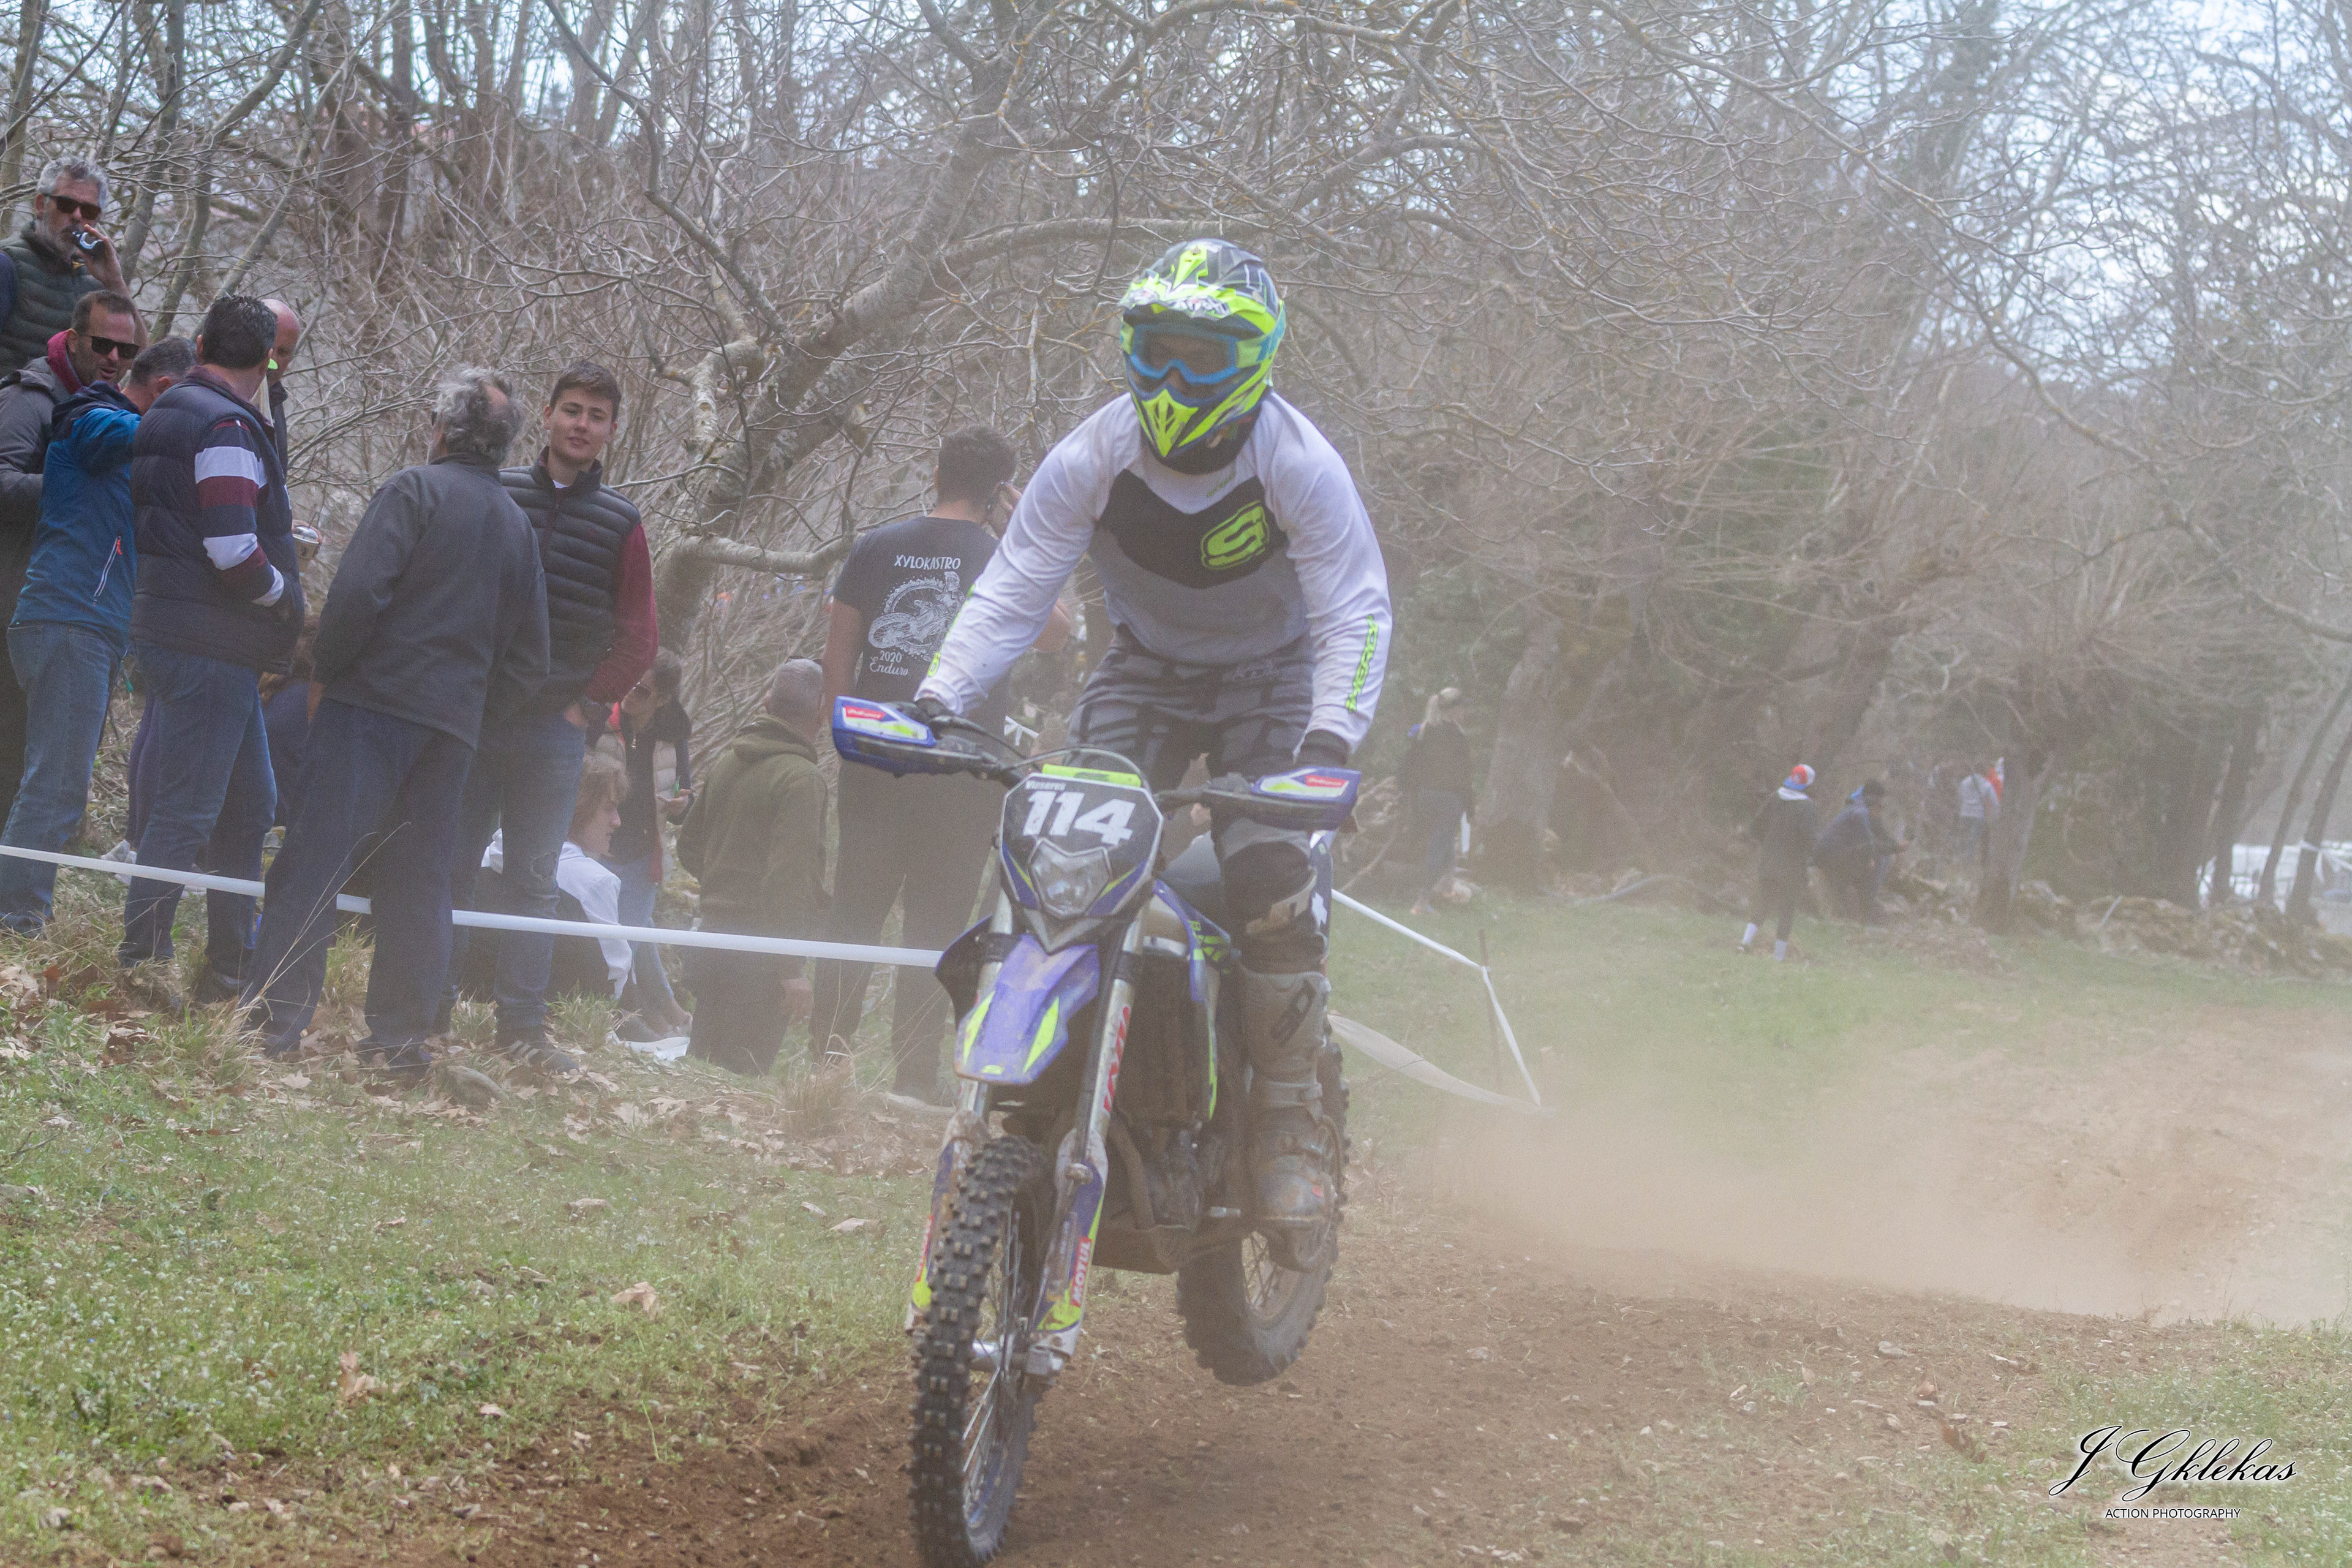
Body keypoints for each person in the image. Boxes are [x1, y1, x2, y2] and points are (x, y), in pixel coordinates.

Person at [914, 238, 1392, 1239]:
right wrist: (940, 696)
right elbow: (1016, 585)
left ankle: (1290, 1118)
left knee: (1268, 873)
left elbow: (1353, 607)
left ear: (1254, 360)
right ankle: (1047, 1062)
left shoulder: (1298, 464)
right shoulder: (1094, 454)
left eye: (1202, 357)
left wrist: (1330, 740)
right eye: (1157, 351)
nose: (1174, 379)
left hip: (1276, 678)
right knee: (1058, 847)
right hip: (1145, 671)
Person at [240, 368, 548, 1084]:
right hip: (452, 730)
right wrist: (474, 708)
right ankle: (399, 1045)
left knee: (314, 861)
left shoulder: (413, 490)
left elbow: (355, 597)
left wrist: (327, 672)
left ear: (441, 428)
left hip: (370, 707)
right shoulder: (518, 529)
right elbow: (532, 659)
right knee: (421, 885)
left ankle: (273, 1024)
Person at [811, 423, 1072, 1102]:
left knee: (854, 911)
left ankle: (824, 1060)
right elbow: (1058, 633)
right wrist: (1024, 536)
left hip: (875, 756)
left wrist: (844, 738)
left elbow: (838, 657)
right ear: (1000, 491)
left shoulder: (876, 545)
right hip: (962, 768)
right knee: (938, 922)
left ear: (936, 475)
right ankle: (912, 1075)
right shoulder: (1004, 556)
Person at [447, 361, 655, 1065]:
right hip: (477, 716)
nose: (581, 425)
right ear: (548, 415)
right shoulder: (496, 490)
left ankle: (521, 1031)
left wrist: (586, 707)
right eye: (572, 410)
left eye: (596, 416)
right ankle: (427, 1008)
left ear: (612, 430)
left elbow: (639, 636)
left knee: (536, 877)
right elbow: (453, 591)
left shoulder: (622, 522)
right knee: (453, 863)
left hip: (554, 729)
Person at [119, 295, 303, 1008]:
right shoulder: (226, 424)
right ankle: (143, 963)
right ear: (267, 361)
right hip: (208, 641)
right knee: (187, 811)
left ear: (200, 345)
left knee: (250, 805)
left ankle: (230, 967)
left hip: (180, 629)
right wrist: (284, 594)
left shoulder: (170, 407)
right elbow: (232, 549)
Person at [0, 336, 192, 932]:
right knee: (55, 784)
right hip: (68, 618)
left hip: (84, 623)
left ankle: (18, 910)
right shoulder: (93, 416)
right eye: (190, 405)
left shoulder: (128, 440)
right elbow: (103, 433)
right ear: (165, 392)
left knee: (54, 780)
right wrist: (192, 427)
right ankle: (16, 918)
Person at [0, 288, 143, 830]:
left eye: (126, 351)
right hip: (18, 596)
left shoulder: (102, 409)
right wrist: (73, 488)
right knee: (16, 761)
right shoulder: (31, 397)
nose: (114, 358)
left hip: (56, 601)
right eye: (102, 345)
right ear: (75, 338)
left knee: (33, 766)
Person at [673, 658, 829, 1077]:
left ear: (766, 702)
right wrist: (790, 968)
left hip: (712, 939)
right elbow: (789, 880)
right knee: (738, 1085)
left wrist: (724, 888)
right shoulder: (802, 779)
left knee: (699, 1077)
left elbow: (689, 846)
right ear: (821, 712)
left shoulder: (728, 762)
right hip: (761, 963)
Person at [462, 754, 634, 1005]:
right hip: (554, 1012)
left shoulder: (487, 857)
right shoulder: (594, 882)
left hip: (472, 1002)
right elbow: (614, 976)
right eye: (608, 809)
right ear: (578, 806)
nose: (617, 821)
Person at [596, 649, 690, 1035]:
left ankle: (630, 1015)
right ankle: (655, 1011)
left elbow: (685, 793)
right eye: (630, 682)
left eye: (642, 690)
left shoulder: (673, 734)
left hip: (641, 853)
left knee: (628, 939)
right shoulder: (602, 718)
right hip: (598, 847)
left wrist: (682, 804)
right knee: (620, 935)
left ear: (663, 700)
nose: (630, 694)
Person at [0, 156, 128, 372]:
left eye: (89, 211)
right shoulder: (7, 265)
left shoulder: (94, 280)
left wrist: (115, 282)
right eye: (66, 205)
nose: (77, 216)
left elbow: (135, 358)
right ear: (41, 205)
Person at [1396, 687, 1473, 916]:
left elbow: (1408, 763)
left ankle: (1447, 886)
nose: (1465, 712)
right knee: (1439, 846)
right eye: (1462, 708)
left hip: (1425, 798)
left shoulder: (1422, 731)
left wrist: (1406, 790)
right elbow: (1465, 775)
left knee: (1445, 839)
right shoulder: (1457, 736)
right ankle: (1421, 902)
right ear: (1453, 710)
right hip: (1449, 799)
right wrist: (1470, 806)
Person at [1740, 764, 1816, 962]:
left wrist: (1768, 845)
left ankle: (1745, 942)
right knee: (1787, 911)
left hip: (1768, 862)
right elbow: (1810, 840)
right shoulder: (1807, 807)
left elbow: (1755, 827)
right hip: (1792, 868)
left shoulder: (1775, 797)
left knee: (1763, 903)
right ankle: (1778, 957)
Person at [1814, 778, 1906, 924]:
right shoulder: (1860, 812)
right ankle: (1868, 905)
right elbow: (1868, 842)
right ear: (1873, 799)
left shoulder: (1861, 808)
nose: (1881, 805)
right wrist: (1893, 848)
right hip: (1830, 856)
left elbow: (1880, 833)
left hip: (1837, 853)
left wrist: (1895, 847)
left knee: (1882, 856)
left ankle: (1867, 903)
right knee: (1878, 858)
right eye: (1879, 801)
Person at [1958, 761, 2000, 871]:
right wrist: (1994, 818)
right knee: (1972, 842)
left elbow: (1960, 797)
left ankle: (1958, 861)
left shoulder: (1965, 782)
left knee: (1962, 839)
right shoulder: (1987, 784)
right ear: (1985, 771)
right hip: (1978, 815)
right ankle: (1967, 866)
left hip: (1964, 813)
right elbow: (1995, 803)